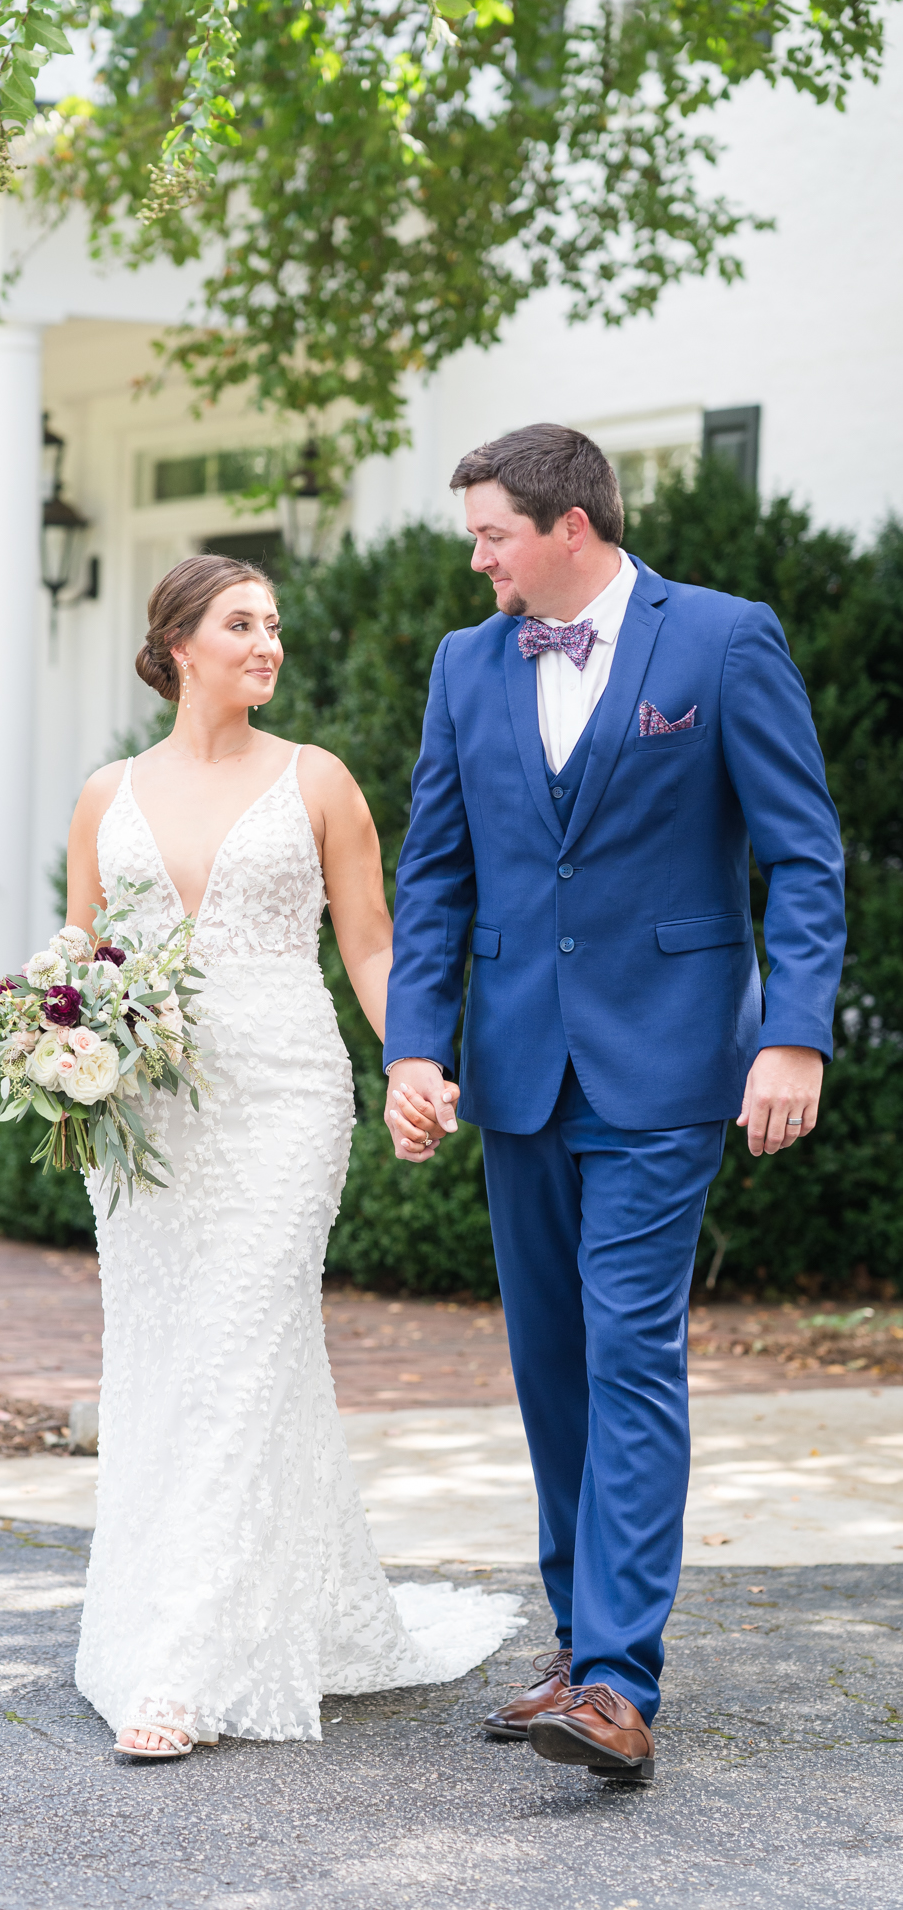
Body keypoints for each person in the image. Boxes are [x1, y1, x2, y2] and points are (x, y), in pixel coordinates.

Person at [383, 426, 845, 1785]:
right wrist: (418, 1046)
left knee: (628, 1348)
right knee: (549, 1370)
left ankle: (619, 1681)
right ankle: (584, 1646)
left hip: (669, 1064)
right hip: (519, 1067)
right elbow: (436, 874)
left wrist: (796, 1039)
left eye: (492, 534)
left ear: (570, 524)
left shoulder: (720, 640)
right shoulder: (467, 665)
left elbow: (803, 856)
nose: (476, 558)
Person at [64, 553, 521, 1762]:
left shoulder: (316, 779)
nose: (267, 642)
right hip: (147, 1121)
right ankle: (234, 1601)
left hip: (283, 1097)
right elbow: (78, 963)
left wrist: (412, 1061)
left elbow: (373, 947)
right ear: (177, 644)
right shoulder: (105, 792)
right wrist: (48, 1050)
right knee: (171, 1356)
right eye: (241, 623)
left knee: (246, 1336)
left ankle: (176, 1667)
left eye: (273, 624)